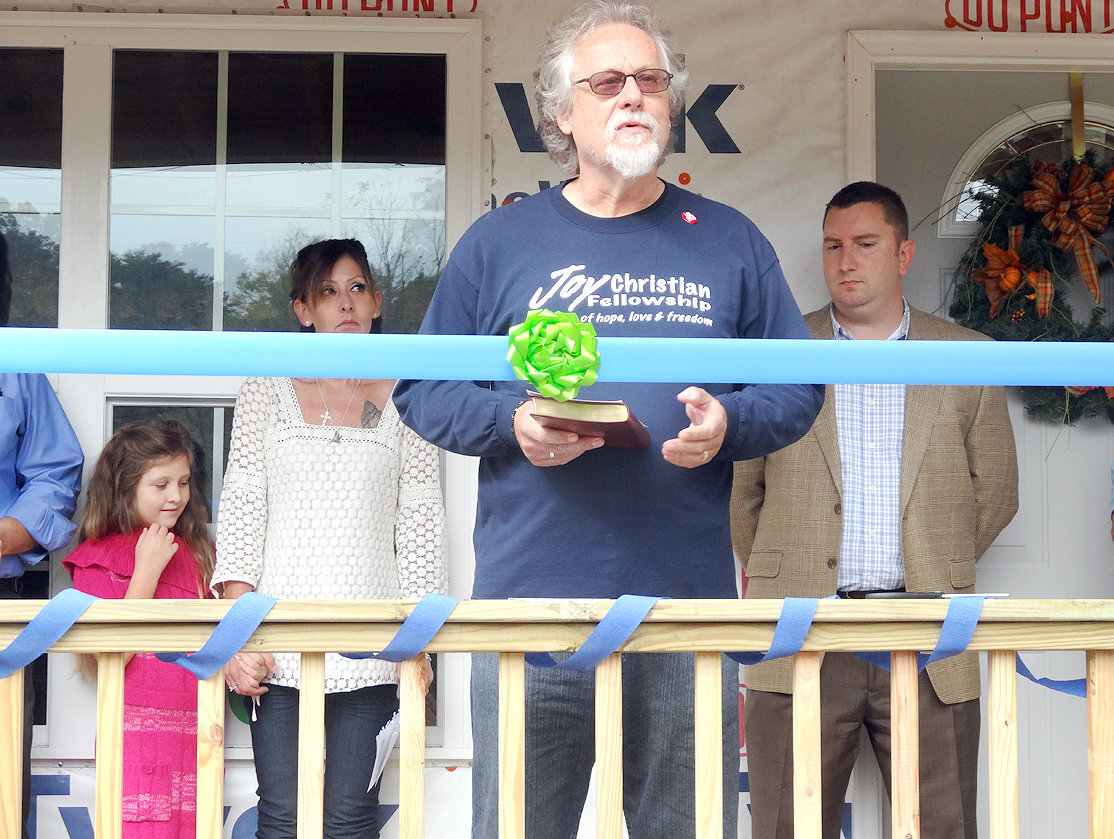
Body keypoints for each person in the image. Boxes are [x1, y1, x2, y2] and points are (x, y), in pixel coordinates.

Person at [392, 3, 824, 836]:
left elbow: (799, 388)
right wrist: (510, 423)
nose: (633, 96)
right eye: (607, 82)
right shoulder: (499, 242)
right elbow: (422, 387)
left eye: (650, 80)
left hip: (684, 613)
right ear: (562, 113)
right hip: (528, 613)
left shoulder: (731, 242)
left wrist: (729, 424)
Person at [732, 180, 1020, 839]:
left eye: (866, 244)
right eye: (833, 245)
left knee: (942, 827)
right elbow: (742, 494)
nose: (846, 260)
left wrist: (935, 559)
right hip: (801, 631)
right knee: (785, 826)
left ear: (904, 254)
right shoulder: (780, 354)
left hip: (927, 636)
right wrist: (786, 572)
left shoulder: (965, 357)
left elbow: (997, 492)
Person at [212, 238, 447, 839]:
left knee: (349, 820)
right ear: (302, 311)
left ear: (375, 303)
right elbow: (241, 508)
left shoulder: (407, 394)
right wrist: (239, 638)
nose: (344, 304)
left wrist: (418, 647)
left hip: (373, 649)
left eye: (356, 289)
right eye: (327, 292)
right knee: (282, 818)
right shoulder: (266, 386)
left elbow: (420, 526)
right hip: (278, 649)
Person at [64, 420, 213, 838]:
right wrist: (145, 571)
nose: (176, 495)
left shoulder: (198, 553)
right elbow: (109, 654)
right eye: (160, 483)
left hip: (199, 732)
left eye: (183, 482)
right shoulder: (95, 559)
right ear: (124, 487)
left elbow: (218, 638)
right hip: (136, 739)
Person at [1, 231, 84, 839]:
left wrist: (9, 532)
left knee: (0, 780)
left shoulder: (17, 362)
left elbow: (56, 473)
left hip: (2, 601)